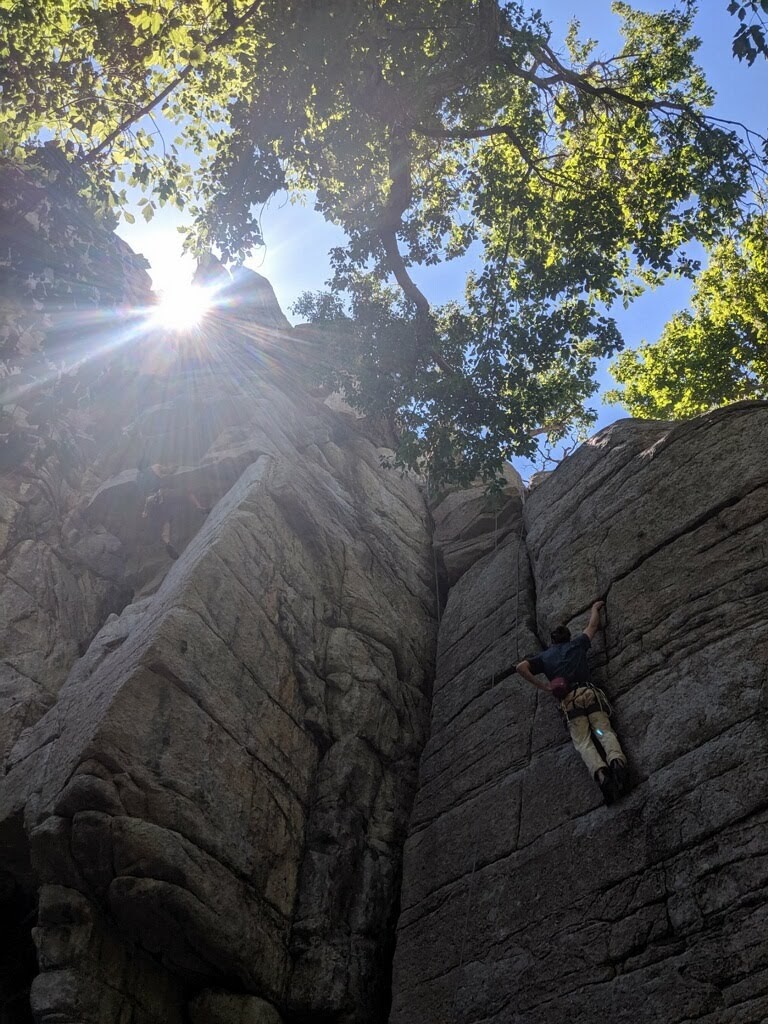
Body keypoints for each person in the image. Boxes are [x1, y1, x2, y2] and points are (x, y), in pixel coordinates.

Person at [516, 601, 629, 805]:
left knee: (584, 742)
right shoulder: (577, 644)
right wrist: (595, 609)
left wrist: (544, 686)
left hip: (570, 704)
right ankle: (617, 762)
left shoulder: (544, 657)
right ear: (568, 637)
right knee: (603, 732)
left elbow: (520, 667)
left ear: (552, 641)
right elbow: (592, 626)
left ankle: (602, 775)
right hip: (589, 694)